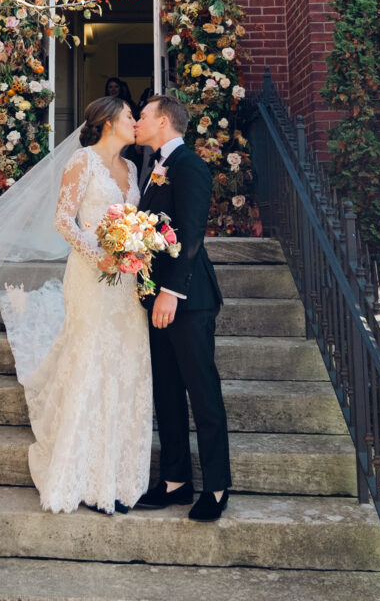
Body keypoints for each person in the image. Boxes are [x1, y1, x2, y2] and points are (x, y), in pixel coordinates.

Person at [0, 96, 152, 515]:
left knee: (125, 363)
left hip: (126, 281)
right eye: (130, 116)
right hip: (90, 275)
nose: (136, 121)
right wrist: (98, 254)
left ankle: (118, 476)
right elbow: (64, 220)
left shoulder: (133, 169)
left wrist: (136, 251)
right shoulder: (81, 162)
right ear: (109, 121)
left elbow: (134, 220)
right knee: (92, 360)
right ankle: (81, 474)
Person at [134, 95, 232, 522]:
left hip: (186, 300)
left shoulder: (189, 165)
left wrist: (172, 292)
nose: (136, 122)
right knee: (167, 391)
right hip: (155, 295)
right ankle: (174, 480)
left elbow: (192, 233)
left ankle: (216, 485)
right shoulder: (155, 167)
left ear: (163, 122)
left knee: (201, 390)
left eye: (142, 116)